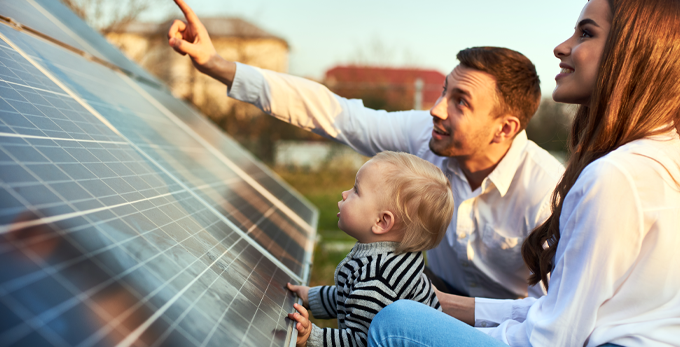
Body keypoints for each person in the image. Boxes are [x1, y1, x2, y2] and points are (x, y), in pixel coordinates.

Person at [167, 0, 565, 300]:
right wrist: (217, 65)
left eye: (461, 101)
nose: (436, 108)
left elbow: (552, 317)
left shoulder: (546, 193)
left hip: (508, 328)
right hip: (433, 294)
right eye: (445, 90)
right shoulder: (426, 135)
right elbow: (335, 113)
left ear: (505, 128)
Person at [367, 0, 680, 346]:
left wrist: (440, 324)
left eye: (586, 33)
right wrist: (443, 305)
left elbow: (550, 339)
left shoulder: (614, 177)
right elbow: (560, 310)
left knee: (396, 324)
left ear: (634, 54)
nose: (561, 47)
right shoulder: (662, 154)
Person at [283, 151, 453, 347]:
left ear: (381, 221)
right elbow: (350, 297)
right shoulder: (391, 256)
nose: (344, 194)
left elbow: (361, 342)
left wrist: (312, 336)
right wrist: (310, 297)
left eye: (356, 190)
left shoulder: (378, 280)